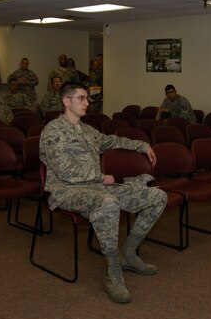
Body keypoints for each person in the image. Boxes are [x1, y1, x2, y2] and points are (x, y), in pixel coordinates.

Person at [39, 82, 167, 304]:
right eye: (82, 98)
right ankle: (113, 273)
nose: (87, 103)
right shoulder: (52, 131)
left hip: (96, 189)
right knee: (107, 202)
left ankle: (128, 252)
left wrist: (142, 145)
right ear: (66, 101)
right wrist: (100, 177)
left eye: (87, 98)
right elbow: (64, 171)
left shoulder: (88, 131)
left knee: (158, 196)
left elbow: (113, 140)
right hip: (67, 191)